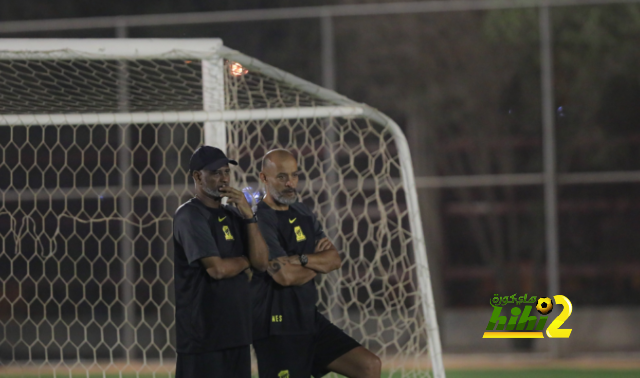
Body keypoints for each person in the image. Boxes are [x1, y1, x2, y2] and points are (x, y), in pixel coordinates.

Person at [252, 149, 382, 378]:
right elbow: (284, 276)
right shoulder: (260, 219)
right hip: (277, 325)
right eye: (282, 176)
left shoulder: (303, 212)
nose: (290, 183)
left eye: (294, 175)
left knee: (368, 366)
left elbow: (334, 259)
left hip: (308, 319)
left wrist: (301, 260)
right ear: (264, 178)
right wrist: (317, 265)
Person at [173, 145, 269, 378]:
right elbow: (217, 269)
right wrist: (246, 260)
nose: (224, 178)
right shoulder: (190, 215)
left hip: (237, 334)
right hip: (203, 338)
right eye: (216, 173)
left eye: (226, 172)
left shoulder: (234, 214)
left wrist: (249, 215)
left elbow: (262, 262)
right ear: (197, 176)